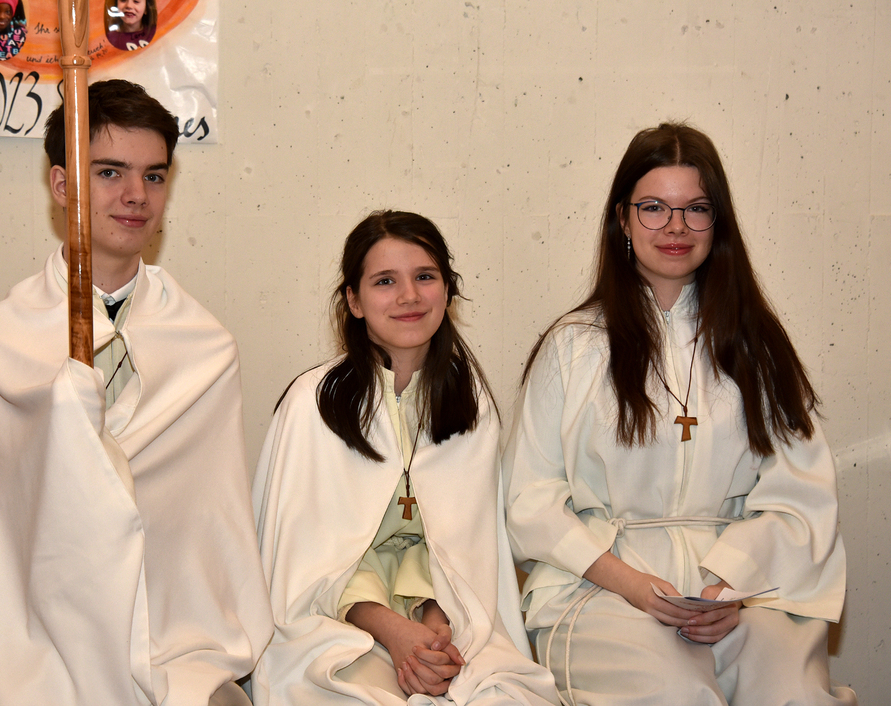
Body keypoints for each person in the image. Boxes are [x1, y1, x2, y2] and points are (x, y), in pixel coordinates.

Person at [0, 79, 272, 706]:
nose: (136, 196)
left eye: (154, 176)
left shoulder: (206, 349)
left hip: (171, 635)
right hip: (29, 633)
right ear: (61, 185)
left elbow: (210, 531)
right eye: (109, 172)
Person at [503, 122, 856, 706]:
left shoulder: (757, 348)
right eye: (653, 208)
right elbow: (529, 499)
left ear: (718, 222)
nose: (675, 227)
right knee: (675, 692)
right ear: (622, 219)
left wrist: (732, 586)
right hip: (601, 585)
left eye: (696, 208)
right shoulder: (573, 346)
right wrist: (632, 585)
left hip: (734, 590)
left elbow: (801, 496)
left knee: (791, 693)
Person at [251, 211, 558, 705]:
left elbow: (468, 551)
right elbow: (300, 571)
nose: (409, 296)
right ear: (354, 300)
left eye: (425, 277)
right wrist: (392, 629)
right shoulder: (313, 404)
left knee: (505, 696)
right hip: (334, 624)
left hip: (449, 619)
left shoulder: (471, 404)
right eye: (385, 281)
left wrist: (434, 621)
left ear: (447, 291)